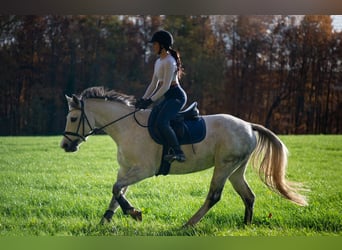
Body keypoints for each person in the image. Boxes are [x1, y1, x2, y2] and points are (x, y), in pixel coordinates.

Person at [135, 30, 187, 163]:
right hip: (168, 97)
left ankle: (178, 152)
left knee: (162, 122)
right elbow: (153, 84)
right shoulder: (158, 61)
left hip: (177, 96)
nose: (153, 46)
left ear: (162, 45)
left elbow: (165, 86)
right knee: (154, 118)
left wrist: (150, 101)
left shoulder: (170, 61)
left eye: (155, 44)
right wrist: (143, 99)